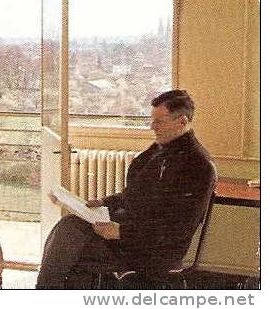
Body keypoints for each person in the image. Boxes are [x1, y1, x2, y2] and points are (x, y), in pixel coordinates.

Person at [36, 90, 216, 289]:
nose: (152, 127)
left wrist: (122, 232)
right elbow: (134, 195)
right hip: (129, 234)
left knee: (69, 247)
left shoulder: (198, 166)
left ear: (182, 122)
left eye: (159, 122)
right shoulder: (160, 151)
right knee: (69, 224)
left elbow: (177, 228)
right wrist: (104, 203)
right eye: (152, 120)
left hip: (151, 249)